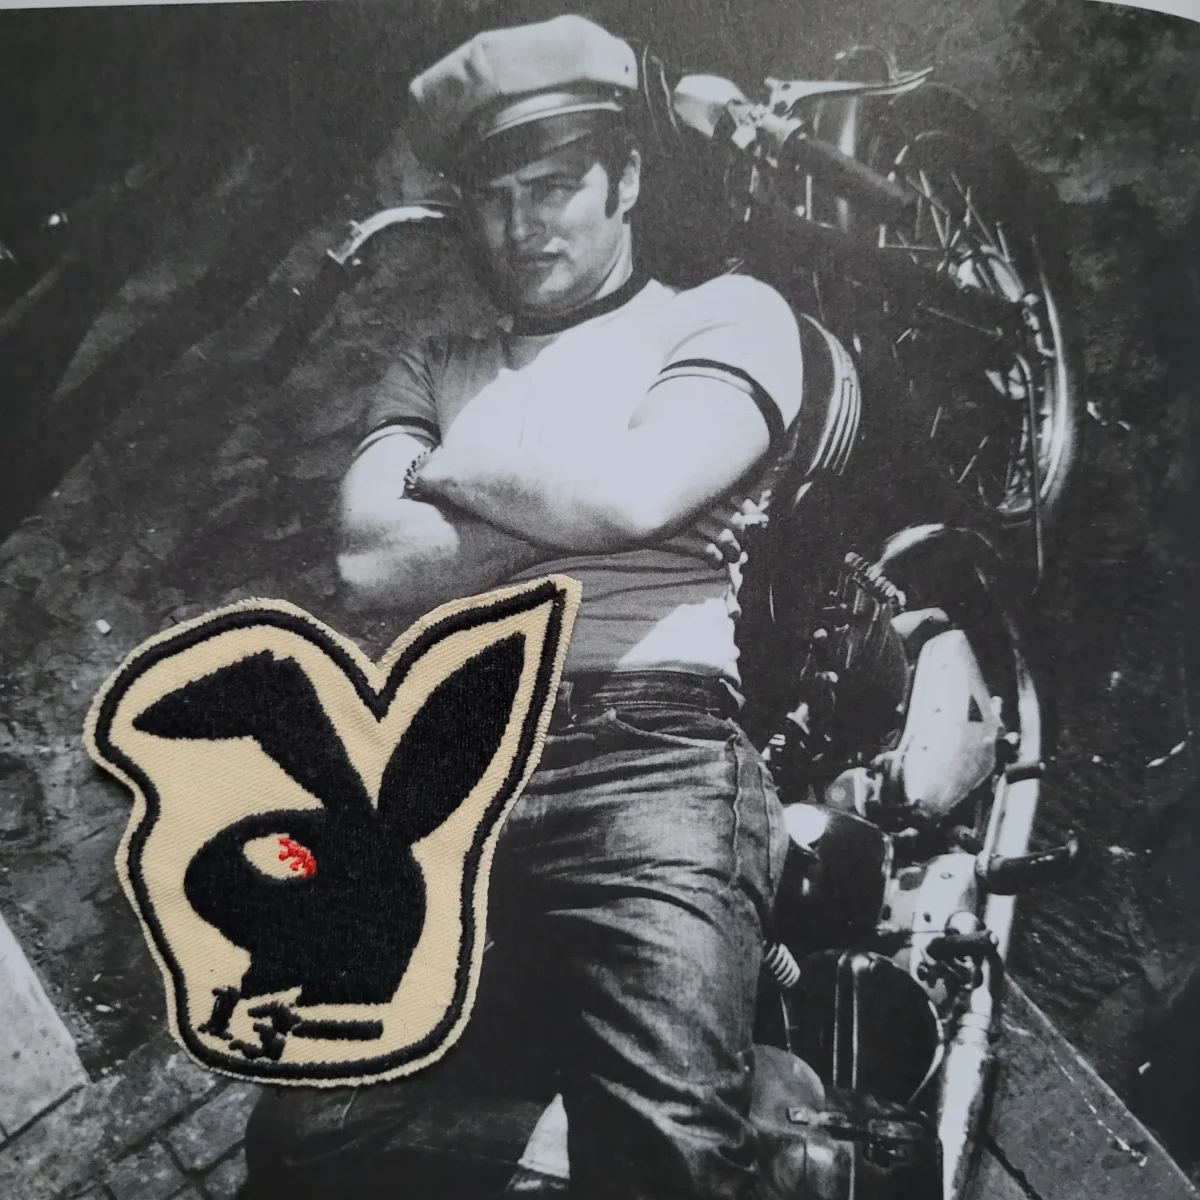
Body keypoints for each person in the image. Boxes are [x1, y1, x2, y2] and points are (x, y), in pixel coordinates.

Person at [242, 15, 804, 1199]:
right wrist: (593, 500)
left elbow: (635, 491)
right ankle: (554, 1136)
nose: (525, 223)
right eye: (495, 196)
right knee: (305, 1129)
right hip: (451, 752)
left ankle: (617, 1119)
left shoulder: (727, 314)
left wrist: (449, 470)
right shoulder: (431, 359)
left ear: (627, 180)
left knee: (668, 1152)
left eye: (556, 185)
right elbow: (369, 564)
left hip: (653, 749)